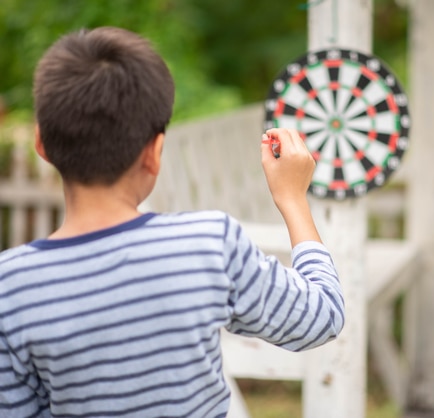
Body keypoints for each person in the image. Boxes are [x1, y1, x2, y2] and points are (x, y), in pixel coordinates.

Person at [0, 27, 344, 418]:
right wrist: (292, 198)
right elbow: (322, 316)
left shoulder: (9, 286)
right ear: (155, 153)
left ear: (41, 144)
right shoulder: (207, 244)